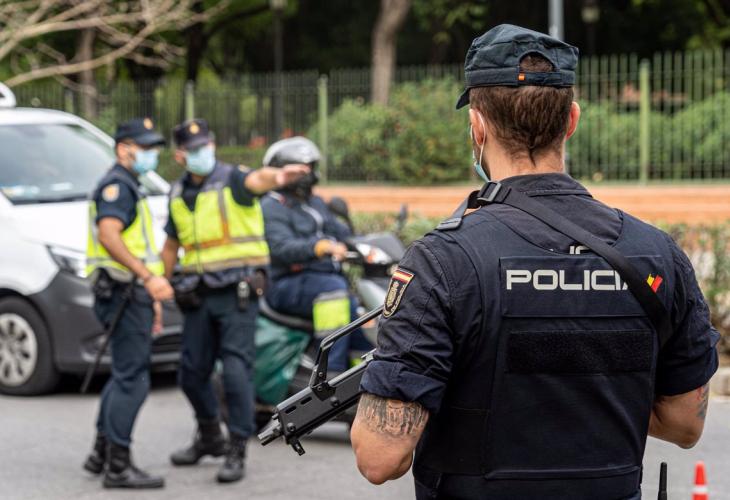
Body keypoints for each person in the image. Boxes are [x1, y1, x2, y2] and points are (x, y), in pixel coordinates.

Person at [351, 24, 719, 500]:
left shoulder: (443, 261)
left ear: (477, 127)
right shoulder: (658, 253)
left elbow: (379, 457)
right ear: (572, 120)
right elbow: (685, 424)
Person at [161, 119, 309, 483]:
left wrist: (278, 176)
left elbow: (257, 180)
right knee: (191, 373)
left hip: (237, 293)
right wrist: (160, 282)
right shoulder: (177, 193)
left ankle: (237, 447)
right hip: (197, 295)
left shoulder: (233, 179)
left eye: (205, 145)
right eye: (193, 149)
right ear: (180, 156)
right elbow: (172, 244)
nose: (202, 152)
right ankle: (210, 434)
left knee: (235, 373)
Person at [83, 117, 173, 489]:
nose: (152, 154)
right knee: (132, 380)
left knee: (123, 375)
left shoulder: (127, 184)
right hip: (123, 293)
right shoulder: (117, 187)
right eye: (145, 148)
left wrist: (149, 291)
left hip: (127, 293)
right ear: (124, 149)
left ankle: (101, 453)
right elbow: (109, 235)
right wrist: (148, 277)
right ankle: (118, 467)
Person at [260, 137, 373, 374]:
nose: (308, 174)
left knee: (358, 314)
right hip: (286, 283)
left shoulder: (314, 202)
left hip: (320, 279)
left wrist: (366, 244)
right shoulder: (271, 205)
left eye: (310, 168)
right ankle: (330, 372)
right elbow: (282, 248)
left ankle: (366, 373)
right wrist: (318, 247)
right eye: (302, 169)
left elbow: (340, 232)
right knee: (334, 291)